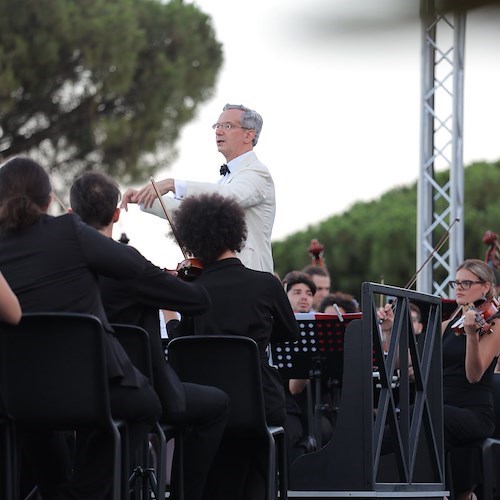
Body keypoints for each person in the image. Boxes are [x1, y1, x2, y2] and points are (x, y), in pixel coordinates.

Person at [0, 156, 162, 500]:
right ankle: (86, 491)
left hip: (16, 390)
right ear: (48, 201)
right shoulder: (69, 232)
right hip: (83, 385)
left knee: (35, 418)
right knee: (145, 403)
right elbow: (129, 266)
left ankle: (57, 491)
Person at [69, 171, 229, 500]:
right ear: (116, 214)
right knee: (217, 404)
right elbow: (199, 302)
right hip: (132, 390)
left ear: (71, 214)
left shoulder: (61, 266)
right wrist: (184, 274)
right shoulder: (127, 263)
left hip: (69, 389)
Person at [167, 192, 299, 500]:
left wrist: (170, 316)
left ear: (194, 239)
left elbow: (180, 345)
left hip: (204, 408)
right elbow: (290, 334)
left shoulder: (191, 289)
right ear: (235, 233)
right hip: (258, 407)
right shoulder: (266, 283)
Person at [378, 259, 500, 500]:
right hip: (442, 408)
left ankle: (441, 492)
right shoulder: (446, 325)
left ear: (485, 287)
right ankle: (373, 466)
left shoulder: (494, 323)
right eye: (457, 282)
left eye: (467, 282)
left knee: (427, 415)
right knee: (404, 416)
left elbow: (474, 376)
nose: (459, 287)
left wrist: (472, 337)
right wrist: (390, 330)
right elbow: (404, 362)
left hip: (474, 412)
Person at [120, 103, 276, 273]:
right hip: (220, 273)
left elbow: (230, 197)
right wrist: (147, 198)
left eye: (228, 126)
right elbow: (192, 211)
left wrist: (173, 184)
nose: (218, 131)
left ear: (249, 135)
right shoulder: (225, 180)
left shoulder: (258, 173)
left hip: (250, 277)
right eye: (217, 126)